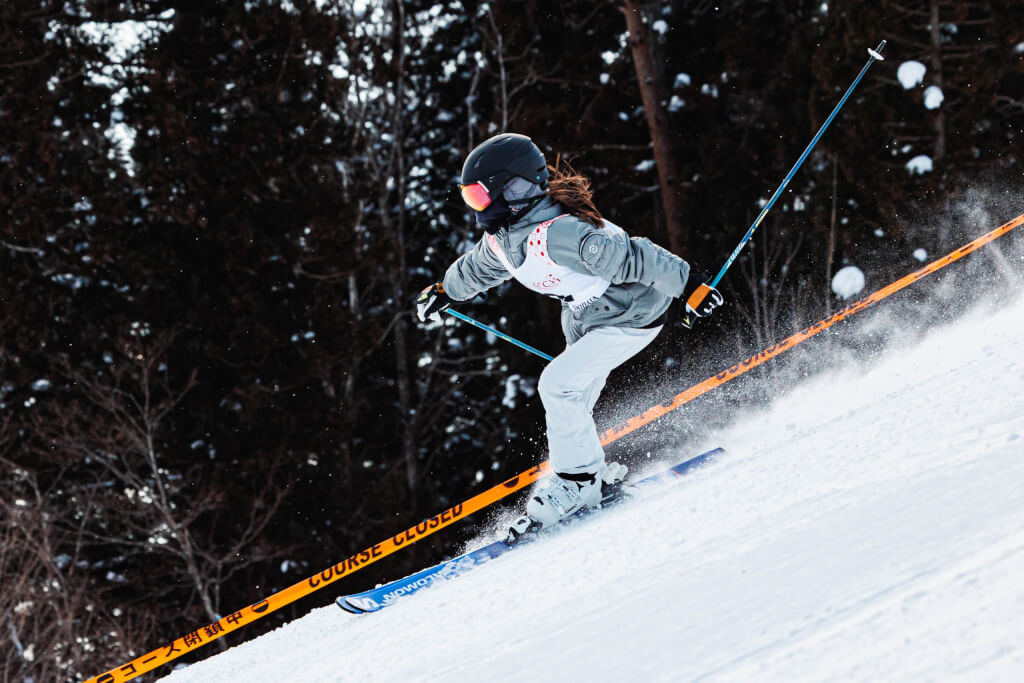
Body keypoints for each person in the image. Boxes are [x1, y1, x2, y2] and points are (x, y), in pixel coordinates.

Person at [415, 133, 723, 537]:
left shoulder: (560, 234)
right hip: (588, 320)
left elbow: (636, 255)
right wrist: (445, 291)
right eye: (471, 198)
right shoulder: (505, 238)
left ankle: (576, 481)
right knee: (572, 396)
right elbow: (477, 268)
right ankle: (591, 478)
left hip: (630, 314)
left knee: (557, 384)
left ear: (514, 190)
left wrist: (690, 287)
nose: (479, 207)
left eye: (481, 196)